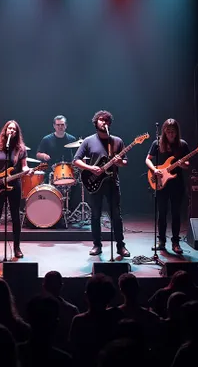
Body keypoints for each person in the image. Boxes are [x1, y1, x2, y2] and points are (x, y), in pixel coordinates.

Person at [73, 110, 130, 257]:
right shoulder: (88, 141)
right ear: (95, 122)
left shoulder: (117, 141)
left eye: (106, 120)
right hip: (94, 183)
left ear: (109, 123)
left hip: (112, 182)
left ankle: (120, 246)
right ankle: (96, 245)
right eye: (100, 119)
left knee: (116, 216)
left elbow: (125, 162)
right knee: (95, 215)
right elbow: (76, 160)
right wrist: (90, 168)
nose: (103, 122)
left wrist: (120, 162)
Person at [0, 120, 31, 259]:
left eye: (14, 129)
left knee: (16, 217)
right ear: (5, 131)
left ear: (17, 133)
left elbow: (24, 166)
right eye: (9, 128)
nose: (11, 131)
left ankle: (17, 248)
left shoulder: (21, 149)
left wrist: (27, 170)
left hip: (14, 184)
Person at [145, 118, 189, 254]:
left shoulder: (182, 145)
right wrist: (154, 169)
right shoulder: (157, 143)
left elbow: (187, 165)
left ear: (177, 132)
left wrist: (183, 164)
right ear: (164, 131)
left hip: (177, 184)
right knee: (162, 214)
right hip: (160, 183)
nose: (170, 134)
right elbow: (148, 159)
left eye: (173, 131)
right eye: (168, 131)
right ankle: (161, 241)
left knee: (176, 214)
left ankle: (176, 242)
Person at [36, 115, 77, 180]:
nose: (60, 127)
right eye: (58, 125)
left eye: (62, 125)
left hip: (69, 172)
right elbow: (38, 155)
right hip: (51, 172)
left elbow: (77, 156)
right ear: (54, 126)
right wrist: (44, 156)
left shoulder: (72, 139)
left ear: (66, 125)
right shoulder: (46, 139)